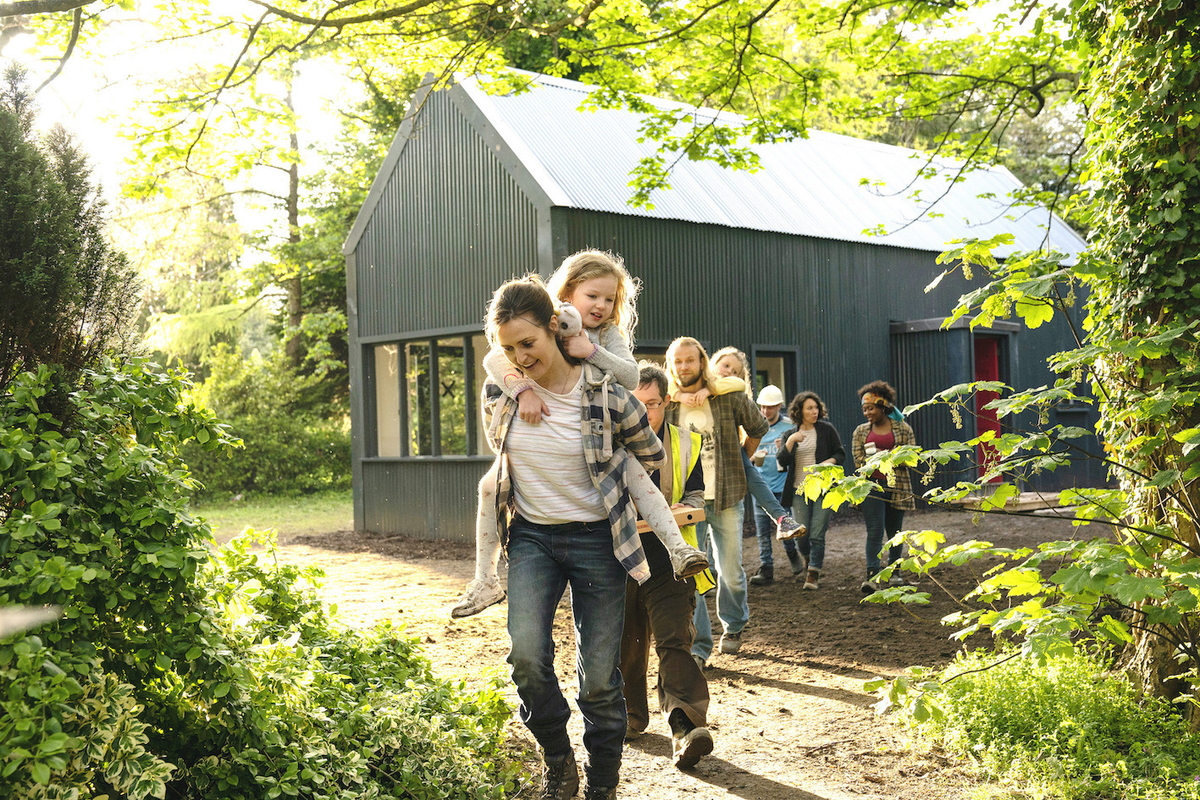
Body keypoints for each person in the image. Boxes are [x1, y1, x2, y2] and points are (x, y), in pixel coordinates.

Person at [483, 275, 662, 800]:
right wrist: (518, 382)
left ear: (553, 328)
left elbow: (652, 455)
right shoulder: (502, 390)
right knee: (527, 657)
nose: (520, 355)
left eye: (528, 344)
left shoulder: (605, 393)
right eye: (510, 347)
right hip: (533, 538)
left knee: (600, 680)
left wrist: (628, 487)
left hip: (599, 543)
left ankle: (603, 784)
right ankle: (559, 759)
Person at [453, 250, 707, 617]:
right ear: (569, 291)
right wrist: (521, 388)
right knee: (489, 486)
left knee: (635, 474)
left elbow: (631, 377)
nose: (601, 306)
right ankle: (485, 578)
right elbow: (495, 358)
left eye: (610, 299)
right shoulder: (548, 322)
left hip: (601, 430)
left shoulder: (607, 334)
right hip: (546, 440)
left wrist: (592, 351)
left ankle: (677, 548)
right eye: (593, 296)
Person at [622, 363, 715, 769]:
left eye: (653, 404)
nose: (645, 414)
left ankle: (684, 726)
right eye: (636, 404)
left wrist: (686, 507)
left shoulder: (686, 444)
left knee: (675, 638)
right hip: (618, 558)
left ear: (666, 404)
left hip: (671, 558)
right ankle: (629, 716)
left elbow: (697, 496)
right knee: (625, 642)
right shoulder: (606, 442)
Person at [665, 337, 769, 664]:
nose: (684, 367)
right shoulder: (667, 403)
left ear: (701, 362)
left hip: (727, 496)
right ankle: (699, 647)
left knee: (731, 571)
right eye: (678, 361)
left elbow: (758, 426)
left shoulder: (728, 397)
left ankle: (735, 624)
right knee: (692, 574)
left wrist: (744, 457)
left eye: (690, 361)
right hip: (687, 504)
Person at [682, 346, 806, 543]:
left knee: (747, 469)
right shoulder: (689, 387)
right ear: (712, 363)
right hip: (694, 466)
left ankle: (782, 518)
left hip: (727, 453)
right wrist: (683, 395)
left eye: (735, 371)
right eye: (726, 365)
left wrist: (708, 389)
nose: (729, 372)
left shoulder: (731, 390)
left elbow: (734, 385)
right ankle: (781, 517)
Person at [851, 380, 917, 593]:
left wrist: (887, 458)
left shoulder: (903, 428)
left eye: (870, 408)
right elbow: (858, 458)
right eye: (864, 409)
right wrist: (875, 462)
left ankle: (895, 570)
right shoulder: (861, 432)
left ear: (883, 406)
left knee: (895, 531)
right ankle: (872, 574)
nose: (866, 413)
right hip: (872, 485)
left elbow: (911, 456)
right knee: (875, 530)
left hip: (897, 485)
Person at [776, 391, 845, 590]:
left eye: (816, 408)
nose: (814, 412)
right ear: (800, 411)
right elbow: (781, 461)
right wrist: (790, 442)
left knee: (817, 533)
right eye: (809, 408)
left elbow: (840, 454)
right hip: (799, 491)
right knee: (802, 533)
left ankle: (813, 572)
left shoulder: (826, 430)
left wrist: (826, 464)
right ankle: (807, 558)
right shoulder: (791, 433)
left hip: (824, 489)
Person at [746, 384, 807, 585]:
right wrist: (753, 457)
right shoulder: (754, 427)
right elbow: (746, 453)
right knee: (762, 532)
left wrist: (787, 447)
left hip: (783, 488)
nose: (766, 411)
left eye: (770, 407)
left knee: (786, 527)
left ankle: (792, 554)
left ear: (779, 406)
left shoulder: (789, 427)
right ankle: (767, 568)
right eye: (763, 407)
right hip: (761, 487)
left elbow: (801, 453)